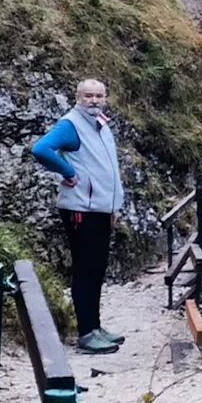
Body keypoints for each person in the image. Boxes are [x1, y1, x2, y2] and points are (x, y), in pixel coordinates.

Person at [30, 77, 126, 354]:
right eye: (88, 96)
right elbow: (41, 149)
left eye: (99, 96)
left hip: (99, 209)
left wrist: (113, 207)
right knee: (86, 270)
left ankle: (94, 327)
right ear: (78, 97)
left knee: (97, 269)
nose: (94, 100)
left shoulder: (100, 124)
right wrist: (68, 172)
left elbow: (107, 168)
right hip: (81, 209)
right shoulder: (71, 124)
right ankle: (86, 334)